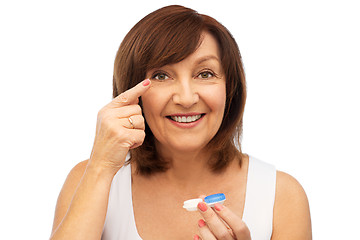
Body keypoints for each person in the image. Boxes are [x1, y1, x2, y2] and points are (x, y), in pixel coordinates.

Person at [50, 5, 312, 240]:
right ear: (132, 91)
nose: (186, 98)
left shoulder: (282, 196)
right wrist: (102, 165)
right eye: (162, 75)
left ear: (229, 88)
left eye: (205, 73)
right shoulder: (90, 179)